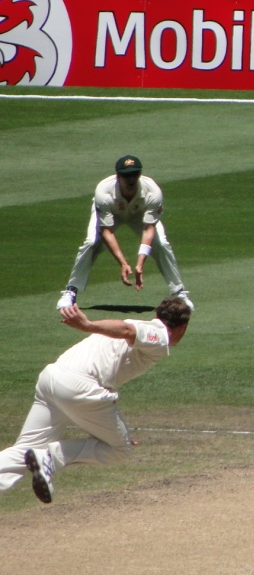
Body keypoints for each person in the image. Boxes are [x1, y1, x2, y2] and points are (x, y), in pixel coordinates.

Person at [0, 298, 191, 505]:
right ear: (182, 327)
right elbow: (127, 329)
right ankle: (49, 457)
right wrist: (87, 325)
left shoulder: (142, 329)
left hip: (52, 378)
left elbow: (125, 335)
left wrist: (116, 429)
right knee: (121, 450)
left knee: (25, 449)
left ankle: (40, 457)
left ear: (157, 315)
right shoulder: (160, 336)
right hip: (79, 387)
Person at [56, 155, 194, 313]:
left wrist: (140, 263)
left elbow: (149, 228)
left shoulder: (153, 191)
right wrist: (123, 263)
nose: (131, 179)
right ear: (118, 176)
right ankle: (71, 291)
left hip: (139, 213)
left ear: (140, 174)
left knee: (161, 244)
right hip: (111, 213)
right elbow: (106, 231)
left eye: (134, 174)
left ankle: (179, 293)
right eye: (126, 175)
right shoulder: (104, 191)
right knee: (92, 242)